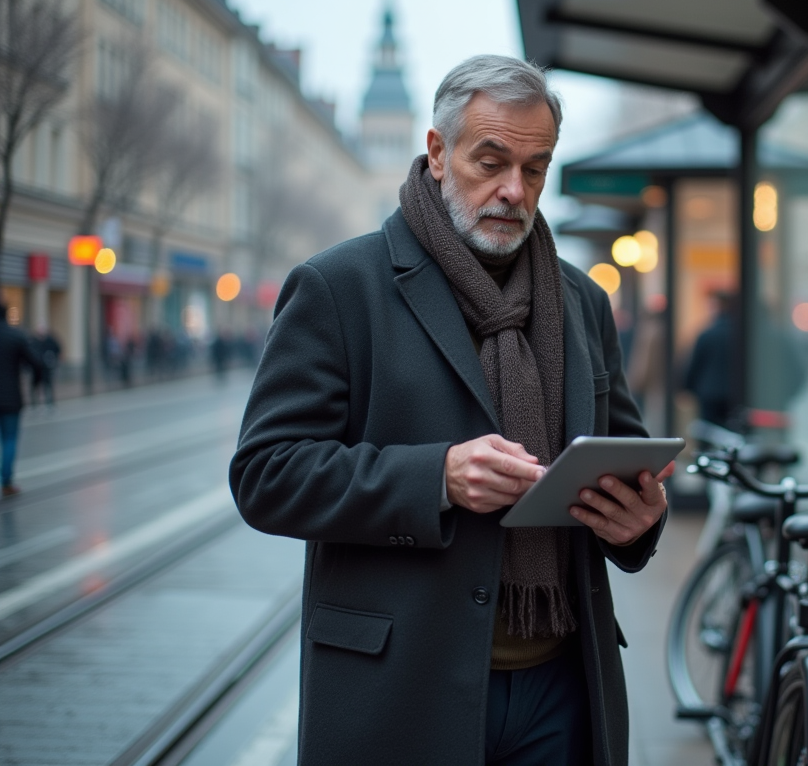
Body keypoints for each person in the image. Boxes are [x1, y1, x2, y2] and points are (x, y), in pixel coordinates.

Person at [230, 55, 670, 766]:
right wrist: (435, 478)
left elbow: (621, 457)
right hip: (402, 688)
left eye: (535, 169)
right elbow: (265, 475)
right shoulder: (340, 286)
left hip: (562, 684)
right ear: (436, 153)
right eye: (490, 161)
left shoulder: (582, 300)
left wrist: (639, 524)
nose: (512, 190)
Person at [0, 306, 43, 497]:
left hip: (10, 398)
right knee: (9, 439)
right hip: (10, 398)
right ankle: (7, 482)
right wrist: (35, 384)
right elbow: (36, 363)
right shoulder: (16, 336)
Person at [684, 289, 735, 426]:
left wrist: (687, 387)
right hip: (734, 395)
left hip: (708, 395)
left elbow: (694, 365)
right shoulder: (742, 335)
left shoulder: (707, 334)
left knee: (708, 436)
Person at [31, 327, 61, 407]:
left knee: (48, 384)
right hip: (37, 368)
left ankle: (49, 400)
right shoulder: (34, 341)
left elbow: (57, 349)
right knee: (35, 385)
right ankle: (34, 401)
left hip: (47, 367)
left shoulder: (50, 340)